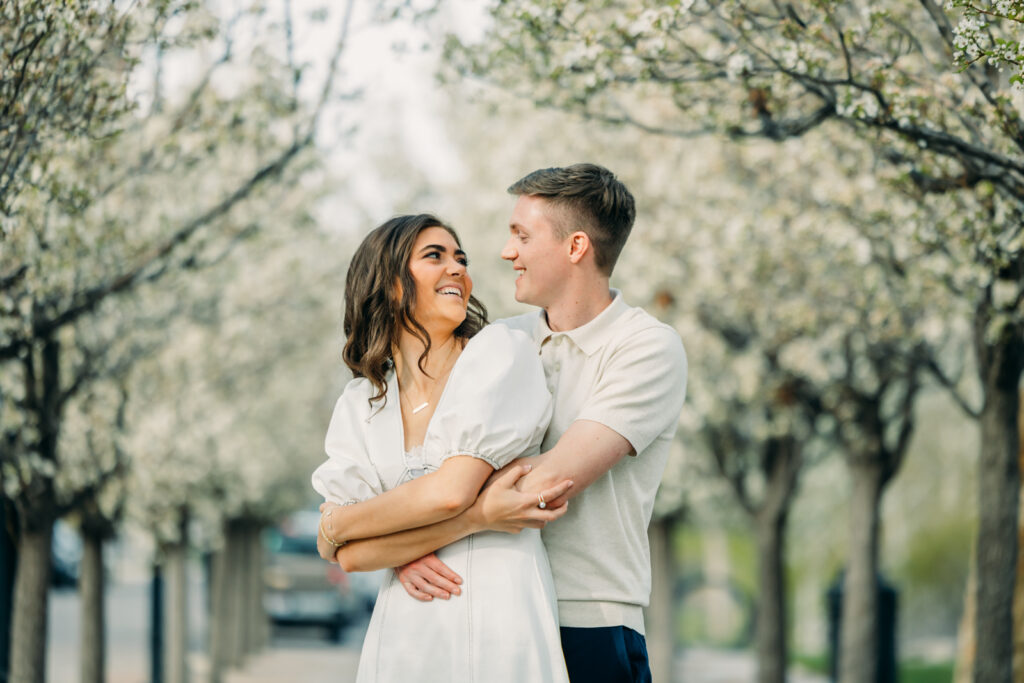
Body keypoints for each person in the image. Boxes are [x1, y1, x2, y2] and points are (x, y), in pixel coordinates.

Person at [321, 164, 688, 683]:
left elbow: (533, 488)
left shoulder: (645, 347)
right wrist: (396, 548)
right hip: (472, 602)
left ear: (576, 246)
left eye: (521, 235)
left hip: (588, 617)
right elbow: (448, 487)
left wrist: (364, 529)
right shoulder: (497, 341)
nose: (505, 252)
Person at [311, 214, 573, 682]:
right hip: (405, 632)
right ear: (389, 284)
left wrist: (344, 526)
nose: (457, 269)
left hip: (498, 614)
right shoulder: (361, 403)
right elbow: (351, 558)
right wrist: (478, 517)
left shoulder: (497, 354)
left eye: (461, 259)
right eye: (435, 256)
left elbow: (450, 491)